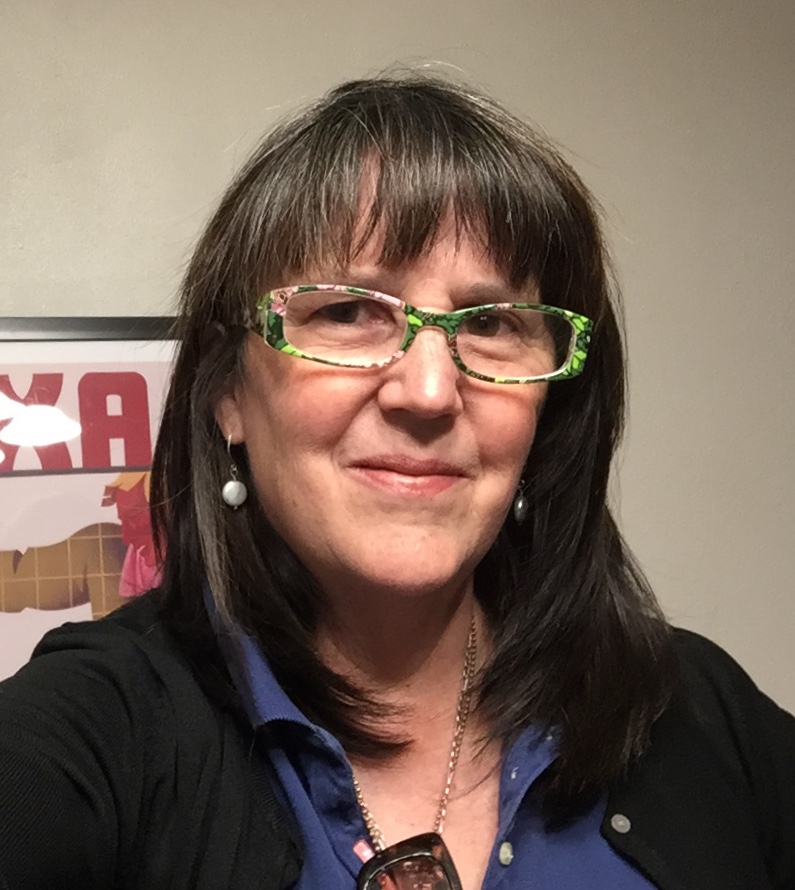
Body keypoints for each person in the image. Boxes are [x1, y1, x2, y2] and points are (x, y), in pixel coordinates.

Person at [1, 73, 793, 890]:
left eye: (490, 324)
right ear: (227, 391)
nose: (428, 391)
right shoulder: (93, 732)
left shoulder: (696, 712)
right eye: (347, 312)